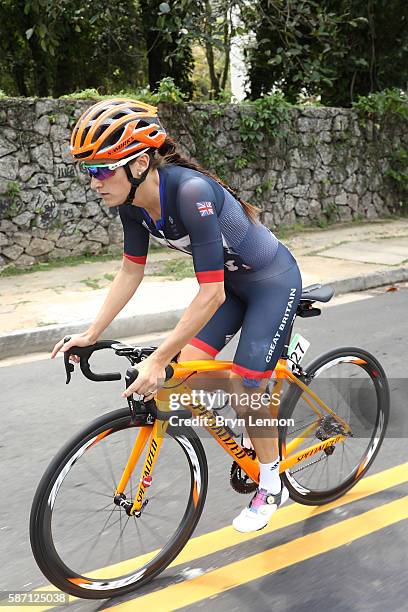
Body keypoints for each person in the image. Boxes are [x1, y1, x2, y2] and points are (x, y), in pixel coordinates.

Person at [51, 98, 302, 533]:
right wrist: (91, 333)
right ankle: (262, 397)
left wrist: (156, 358)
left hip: (270, 283)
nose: (94, 182)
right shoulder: (130, 202)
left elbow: (210, 293)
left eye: (102, 169)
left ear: (140, 163)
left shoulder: (191, 193)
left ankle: (271, 480)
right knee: (185, 373)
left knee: (245, 384)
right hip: (227, 290)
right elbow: (131, 270)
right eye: (89, 171)